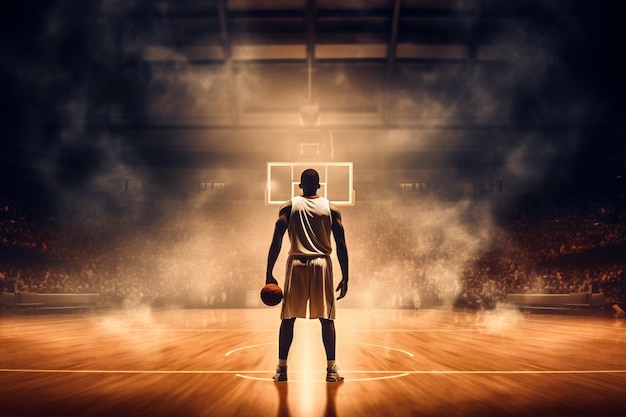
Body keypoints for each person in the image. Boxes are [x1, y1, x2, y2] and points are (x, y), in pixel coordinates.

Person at [266, 168, 349, 382]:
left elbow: (277, 239)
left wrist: (269, 273)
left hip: (296, 263)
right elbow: (341, 244)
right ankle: (331, 370)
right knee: (327, 319)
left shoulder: (289, 206)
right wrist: (345, 275)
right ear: (319, 185)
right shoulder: (331, 208)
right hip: (322, 263)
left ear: (300, 186)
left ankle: (281, 370)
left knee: (288, 318)